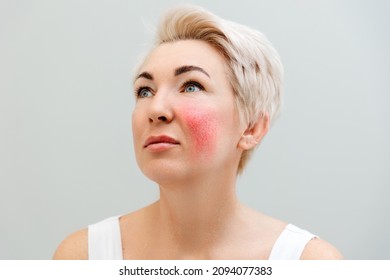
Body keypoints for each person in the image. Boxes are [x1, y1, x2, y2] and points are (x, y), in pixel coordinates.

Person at [53, 5, 343, 260]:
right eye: (145, 90)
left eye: (191, 86)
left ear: (252, 127)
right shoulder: (83, 258)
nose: (156, 108)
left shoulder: (310, 263)